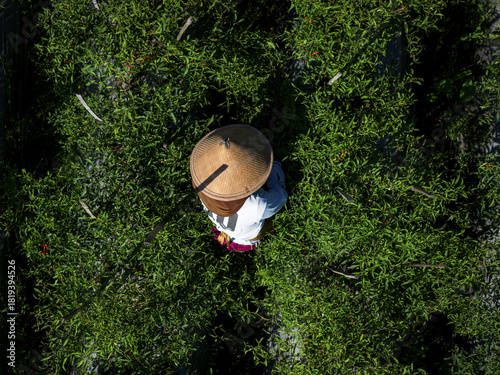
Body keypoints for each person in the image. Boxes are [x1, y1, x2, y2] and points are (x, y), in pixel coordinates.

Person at [190, 124, 288, 252]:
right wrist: (274, 165)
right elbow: (281, 196)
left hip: (224, 229)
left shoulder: (202, 183)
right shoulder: (257, 205)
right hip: (247, 240)